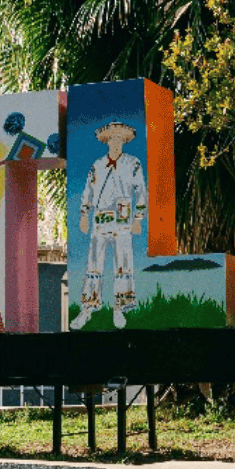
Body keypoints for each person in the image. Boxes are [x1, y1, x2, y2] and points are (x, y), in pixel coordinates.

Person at [73, 121, 146, 330]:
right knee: (94, 263)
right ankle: (88, 308)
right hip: (100, 220)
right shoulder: (97, 165)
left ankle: (119, 308)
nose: (116, 142)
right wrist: (84, 215)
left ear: (124, 141)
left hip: (123, 220)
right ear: (107, 141)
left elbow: (140, 190)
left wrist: (138, 218)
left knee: (122, 263)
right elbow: (88, 190)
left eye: (119, 139)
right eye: (112, 138)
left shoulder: (133, 163)